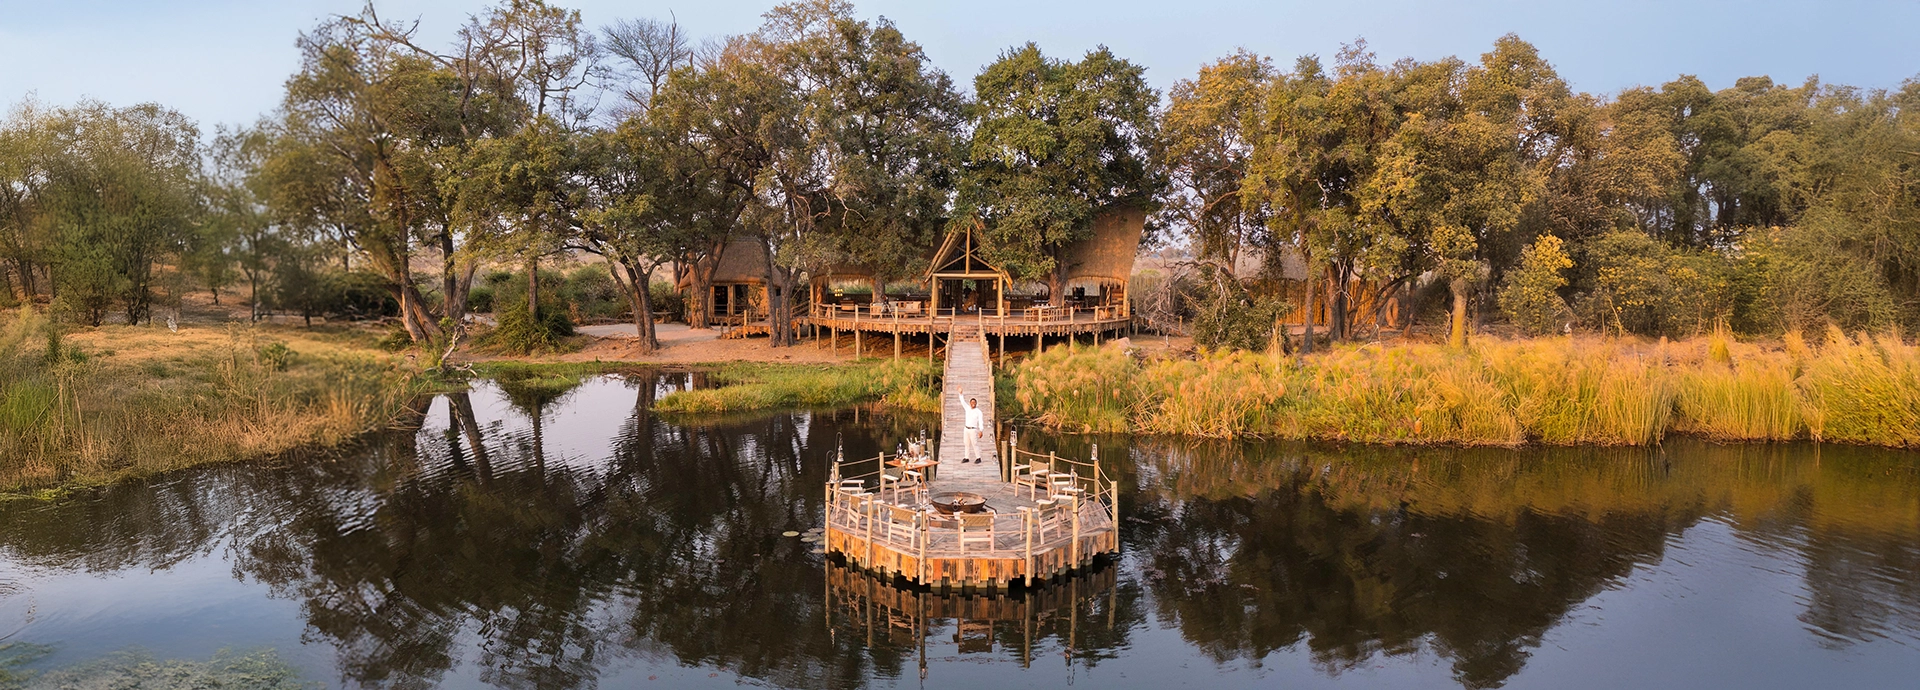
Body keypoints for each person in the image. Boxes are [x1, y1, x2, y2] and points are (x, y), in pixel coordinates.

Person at [955, 387, 984, 463]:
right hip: (966, 428)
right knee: (966, 443)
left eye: (974, 402)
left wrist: (981, 430)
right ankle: (966, 457)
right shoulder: (967, 408)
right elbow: (962, 401)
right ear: (970, 403)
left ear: (976, 403)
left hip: (973, 429)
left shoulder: (978, 412)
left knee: (974, 443)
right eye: (972, 402)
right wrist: (960, 393)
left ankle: (978, 457)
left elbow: (981, 421)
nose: (973, 404)